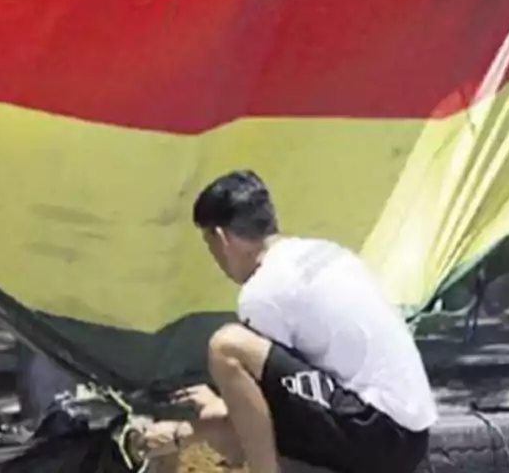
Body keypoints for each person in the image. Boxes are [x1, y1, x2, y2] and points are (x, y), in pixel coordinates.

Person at [139, 170, 437, 473]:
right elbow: (296, 401)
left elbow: (248, 435)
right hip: (409, 434)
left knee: (227, 347)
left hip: (378, 436)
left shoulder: (262, 293)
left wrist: (183, 434)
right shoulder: (324, 252)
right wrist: (225, 408)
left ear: (221, 238)